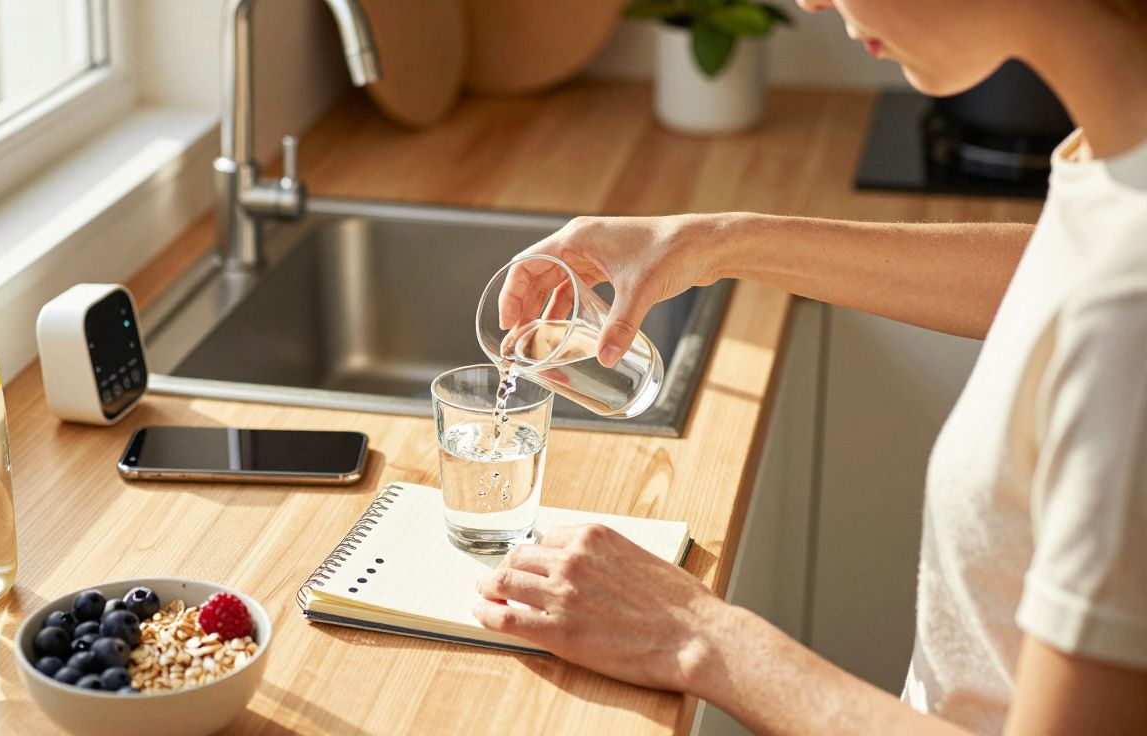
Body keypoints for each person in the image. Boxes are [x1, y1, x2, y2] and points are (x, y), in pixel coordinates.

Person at [471, 0, 1147, 732]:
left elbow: (1107, 310)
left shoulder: (1126, 318)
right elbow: (1051, 275)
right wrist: (718, 243)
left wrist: (696, 633)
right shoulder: (1113, 165)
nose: (810, 1)